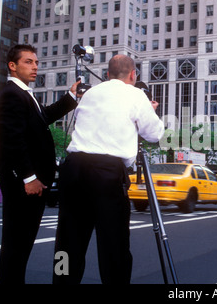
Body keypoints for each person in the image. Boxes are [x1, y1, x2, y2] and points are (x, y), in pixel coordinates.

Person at [53, 55, 164, 284]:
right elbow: (153, 134)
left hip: (73, 169)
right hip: (106, 172)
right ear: (133, 75)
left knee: (67, 241)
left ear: (107, 75)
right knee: (114, 243)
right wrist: (150, 111)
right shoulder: (135, 94)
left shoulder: (91, 92)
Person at [0, 44, 81, 284]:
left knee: (21, 244)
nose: (35, 67)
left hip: (32, 183)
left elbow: (43, 117)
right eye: (28, 62)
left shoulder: (24, 94)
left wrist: (71, 97)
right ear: (12, 66)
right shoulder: (12, 93)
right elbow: (11, 139)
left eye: (36, 62)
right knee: (16, 244)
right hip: (24, 185)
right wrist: (28, 177)